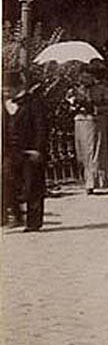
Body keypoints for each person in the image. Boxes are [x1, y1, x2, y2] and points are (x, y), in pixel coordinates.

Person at [4, 70, 49, 231]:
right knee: (7, 181)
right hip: (10, 150)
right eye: (4, 89)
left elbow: (40, 128)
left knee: (33, 185)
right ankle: (14, 214)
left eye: (9, 89)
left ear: (19, 87)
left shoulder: (33, 103)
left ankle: (33, 222)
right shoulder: (4, 104)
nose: (5, 92)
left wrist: (37, 149)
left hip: (29, 149)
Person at [68, 65, 108, 194]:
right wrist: (74, 104)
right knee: (82, 152)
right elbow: (70, 107)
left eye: (87, 77)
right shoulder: (75, 90)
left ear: (93, 77)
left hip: (94, 122)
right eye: (82, 77)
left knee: (94, 151)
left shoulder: (101, 90)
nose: (83, 79)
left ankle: (93, 182)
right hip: (80, 121)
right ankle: (86, 179)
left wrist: (94, 108)